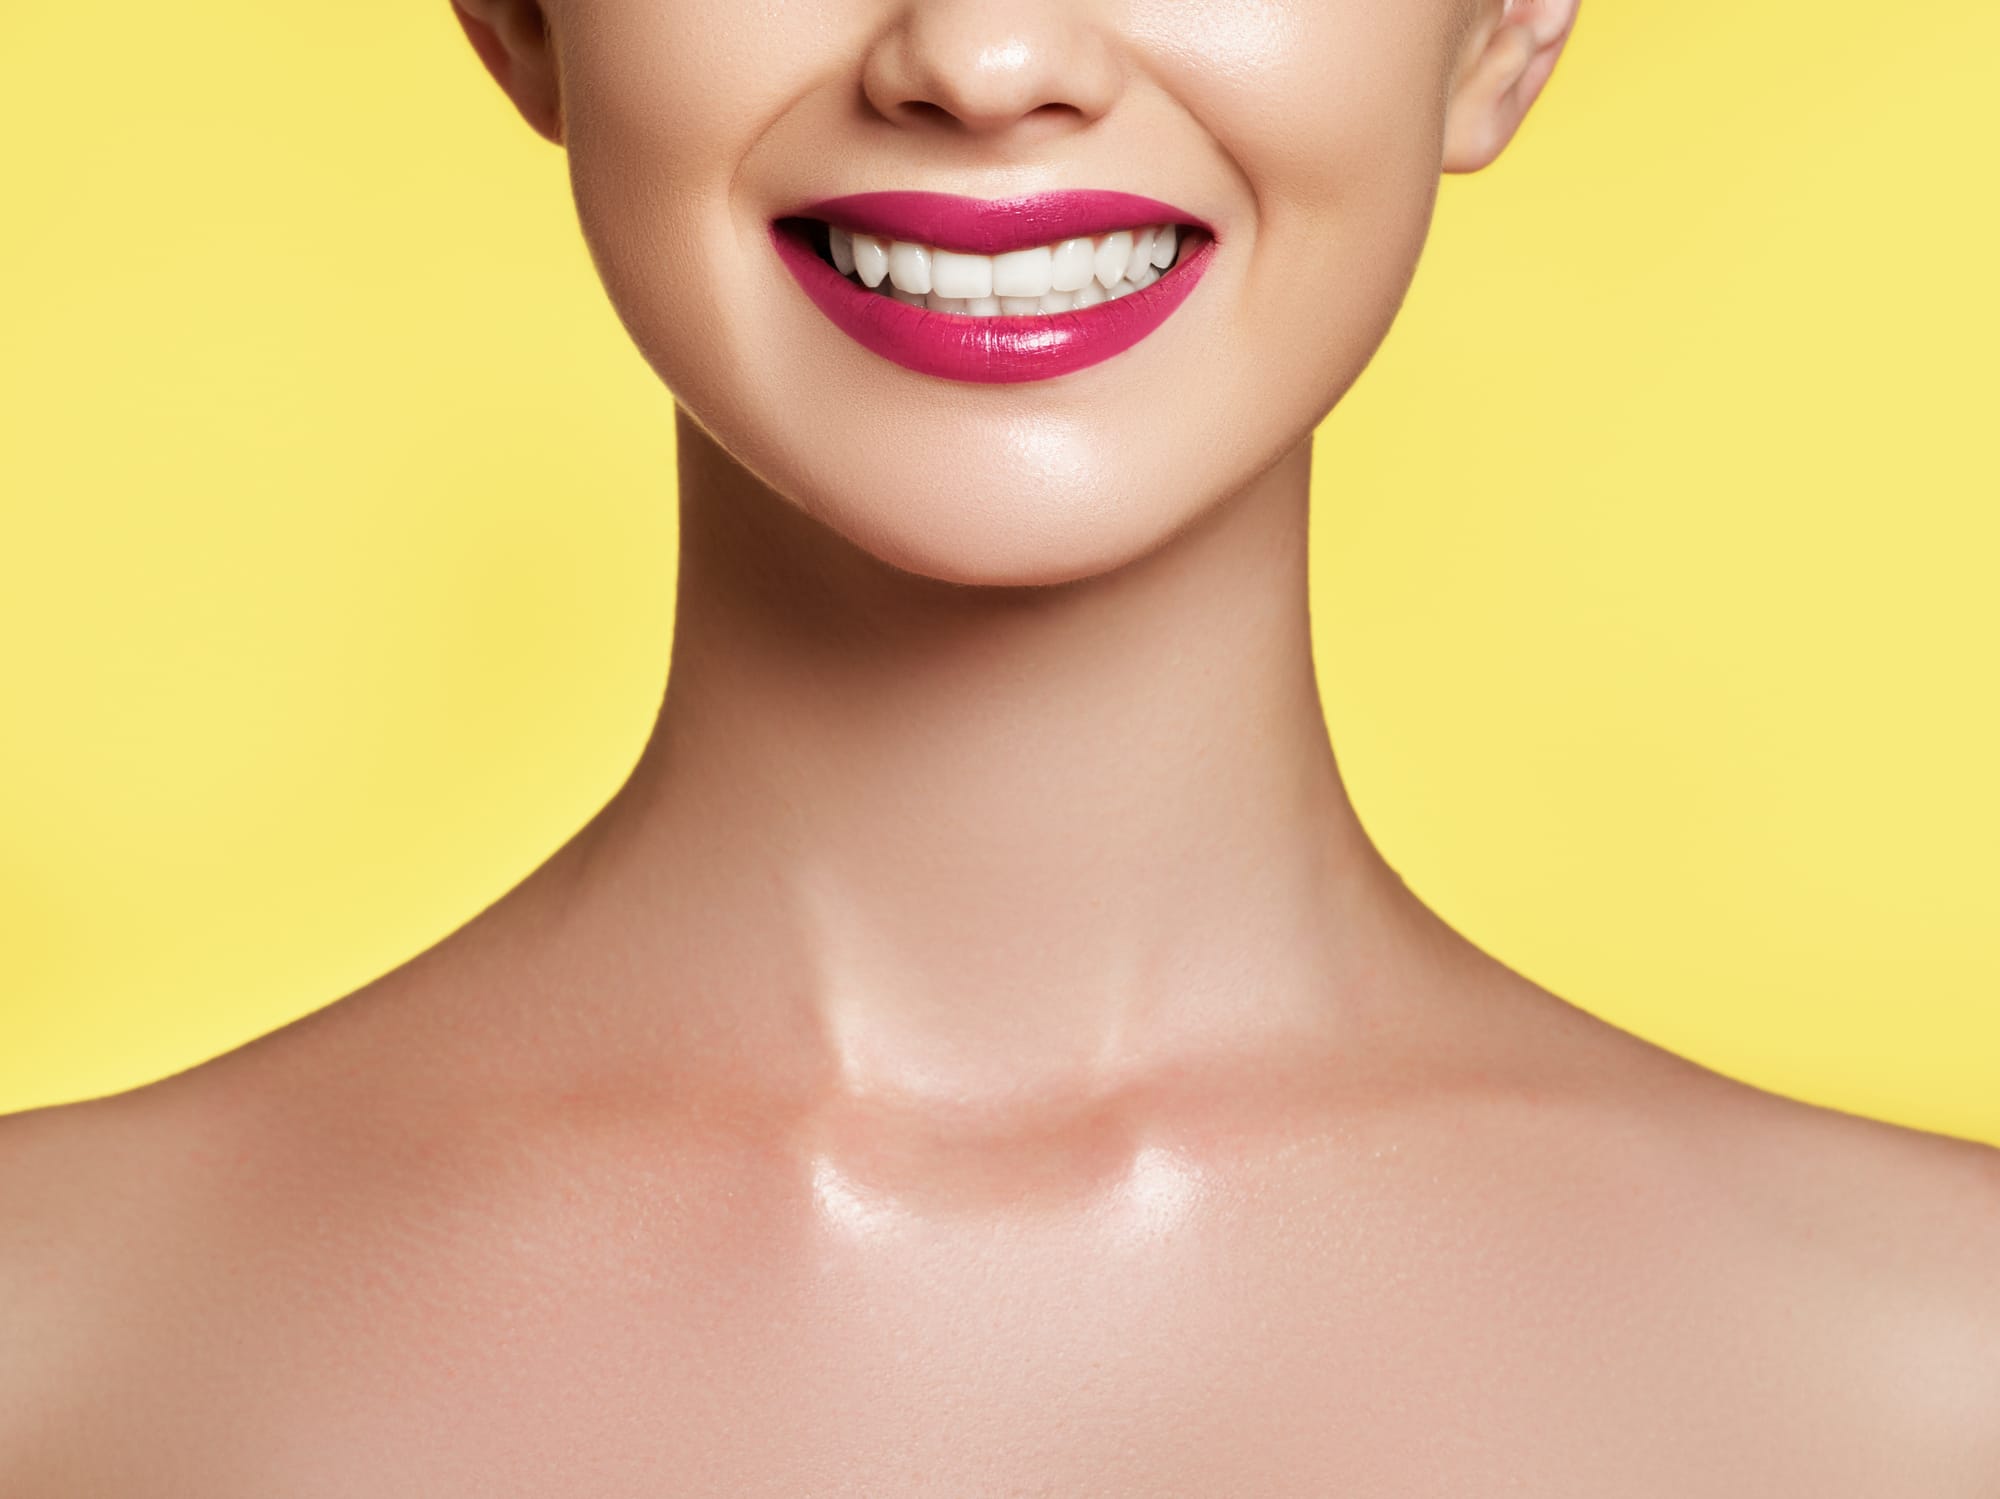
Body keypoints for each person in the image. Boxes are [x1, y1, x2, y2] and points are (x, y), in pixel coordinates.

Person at [3, 0, 1996, 1490]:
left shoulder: (1952, 1371)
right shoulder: (42, 1342)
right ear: (521, 15)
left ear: (1505, 18)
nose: (982, 55)